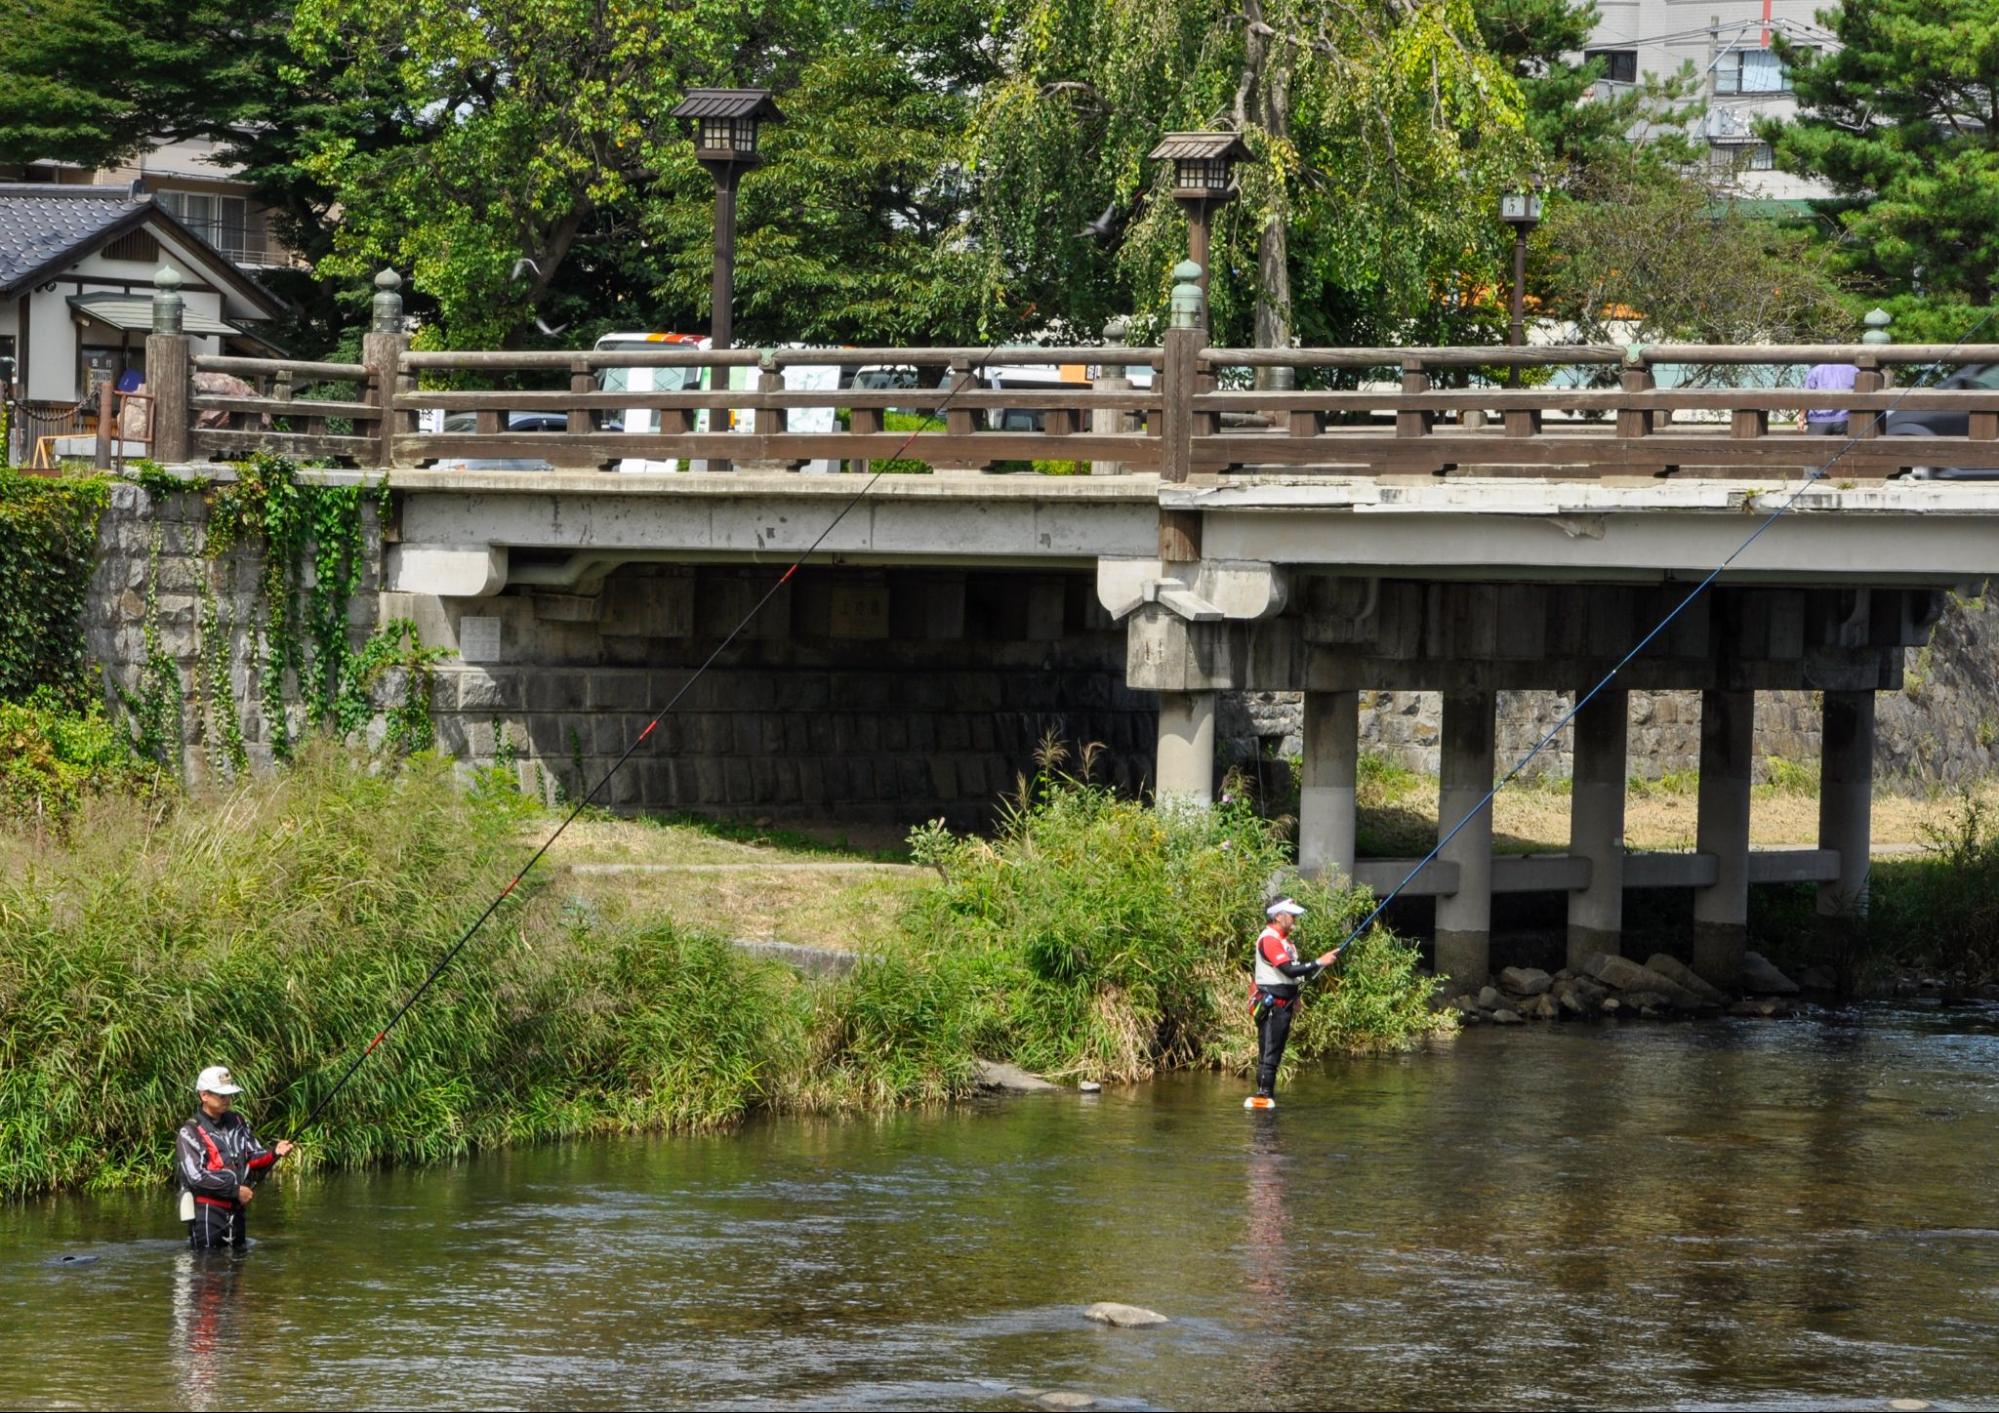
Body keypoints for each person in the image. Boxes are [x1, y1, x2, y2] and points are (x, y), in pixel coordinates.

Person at [176, 1066, 292, 1249]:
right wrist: (235, 1190)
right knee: (208, 1268)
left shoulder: (237, 1121)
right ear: (204, 1095)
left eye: (229, 1095)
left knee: (238, 1268)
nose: (227, 1099)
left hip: (236, 1209)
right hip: (207, 1212)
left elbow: (253, 1157)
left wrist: (274, 1152)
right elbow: (196, 1177)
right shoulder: (189, 1131)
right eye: (222, 1095)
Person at [1246, 899, 1339, 1110]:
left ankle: (1268, 1097)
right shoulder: (1269, 939)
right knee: (1269, 1055)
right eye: (1291, 915)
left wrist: (1295, 996)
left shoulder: (1285, 941)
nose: (1295, 918)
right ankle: (1262, 1097)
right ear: (1278, 916)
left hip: (1284, 1005)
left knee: (1275, 1054)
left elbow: (1289, 975)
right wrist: (1319, 962)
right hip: (1271, 1006)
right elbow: (1288, 969)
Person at [1802, 361, 1857, 436]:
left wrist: (1801, 418)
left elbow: (1805, 397)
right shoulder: (1853, 370)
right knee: (1842, 447)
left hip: (1818, 419)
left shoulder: (1816, 370)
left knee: (1814, 447)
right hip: (1843, 418)